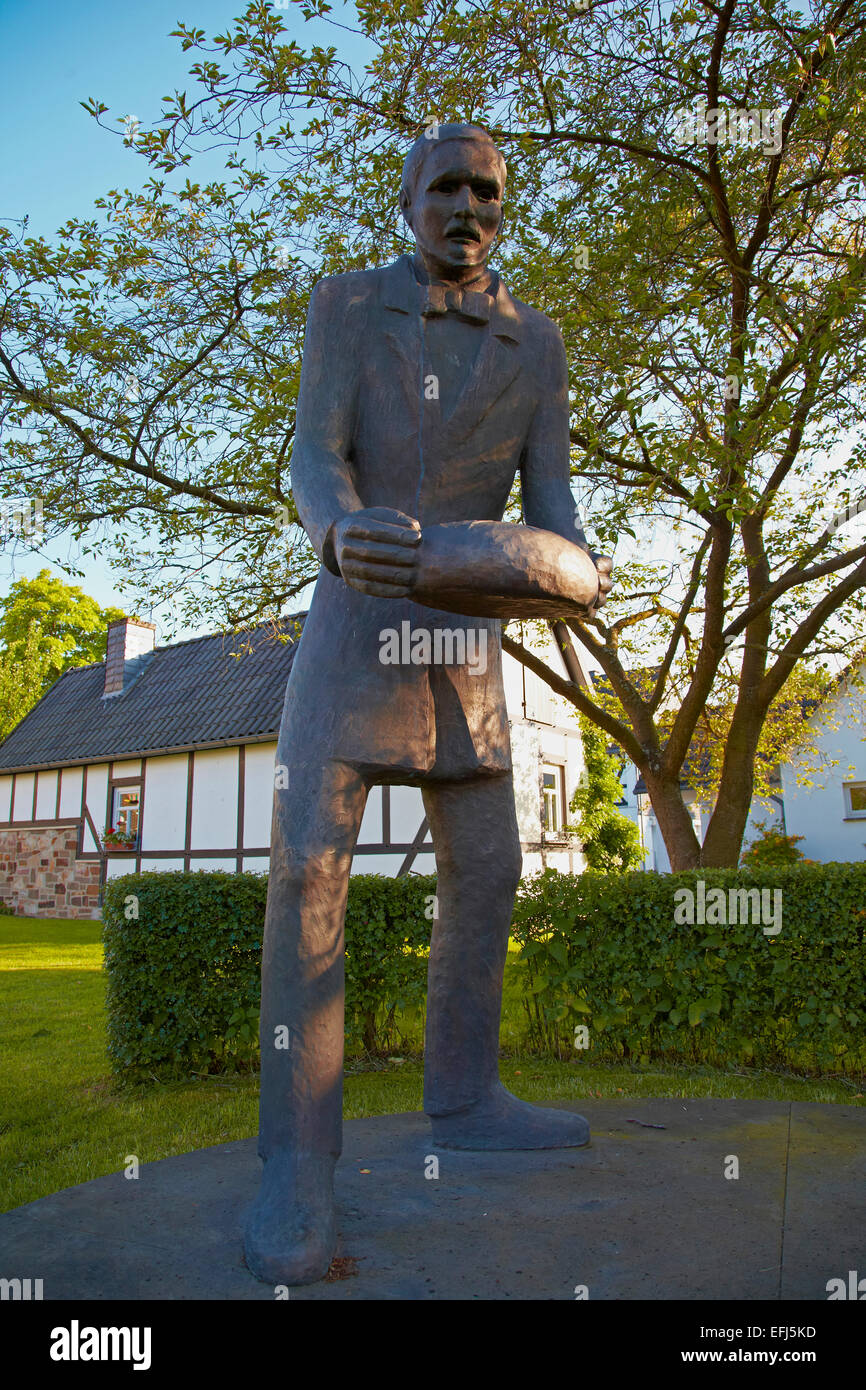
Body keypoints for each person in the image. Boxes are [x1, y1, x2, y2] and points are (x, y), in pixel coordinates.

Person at [243, 123, 613, 1284]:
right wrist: (332, 526)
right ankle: (293, 1167)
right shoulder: (345, 305)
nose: (468, 207)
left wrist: (506, 560)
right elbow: (311, 456)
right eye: (446, 187)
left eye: (487, 192)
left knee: (490, 871)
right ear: (407, 200)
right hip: (351, 633)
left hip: (464, 653)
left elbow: (560, 525)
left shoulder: (536, 343)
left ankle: (466, 1098)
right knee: (307, 877)